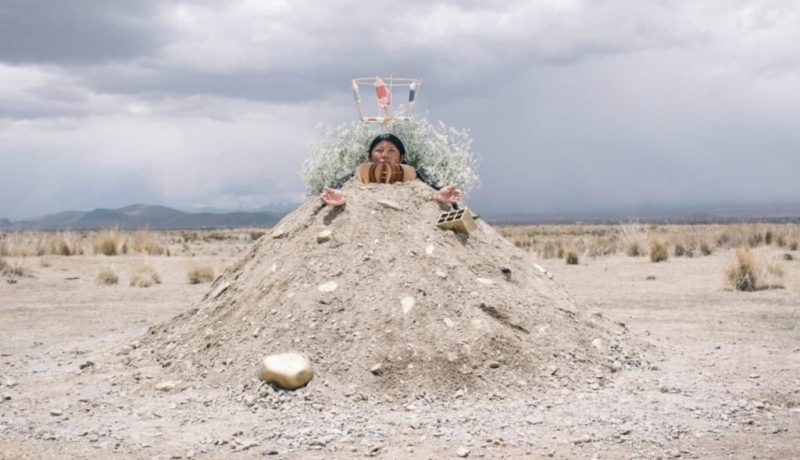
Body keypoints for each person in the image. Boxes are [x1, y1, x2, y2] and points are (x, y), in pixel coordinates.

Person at [319, 133, 461, 207]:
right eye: (379, 150)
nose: (384, 155)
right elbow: (343, 193)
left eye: (392, 150)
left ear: (401, 158)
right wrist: (340, 201)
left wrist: (440, 198)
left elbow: (428, 195)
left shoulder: (417, 180)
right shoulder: (353, 179)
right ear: (369, 157)